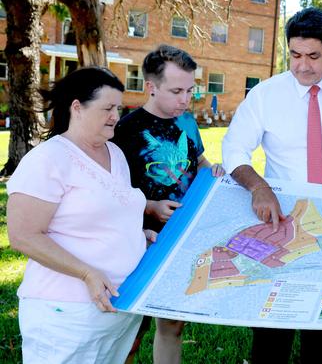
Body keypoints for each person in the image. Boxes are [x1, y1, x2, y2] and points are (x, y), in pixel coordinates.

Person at [222, 7, 322, 363]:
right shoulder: (265, 95)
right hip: (279, 217)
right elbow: (234, 147)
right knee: (271, 326)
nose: (302, 66)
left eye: (313, 56)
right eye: (295, 55)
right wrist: (257, 187)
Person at [7, 67, 154, 363]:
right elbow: (23, 236)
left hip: (117, 308)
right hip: (66, 312)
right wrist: (86, 273)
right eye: (108, 108)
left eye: (119, 108)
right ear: (77, 107)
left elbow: (108, 214)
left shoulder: (116, 154)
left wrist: (138, 237)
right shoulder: (48, 159)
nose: (116, 115)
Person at [112, 45, 223, 364]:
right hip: (139, 240)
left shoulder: (187, 121)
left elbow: (198, 161)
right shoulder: (125, 130)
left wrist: (212, 171)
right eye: (176, 91)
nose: (185, 99)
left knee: (172, 324)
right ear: (151, 86)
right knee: (129, 330)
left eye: (190, 90)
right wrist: (150, 206)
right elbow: (110, 192)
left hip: (181, 237)